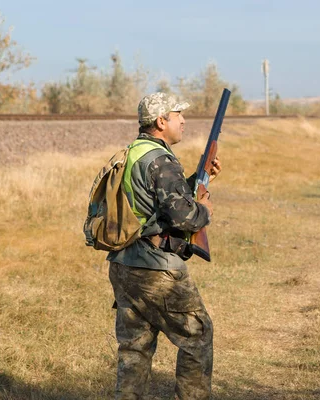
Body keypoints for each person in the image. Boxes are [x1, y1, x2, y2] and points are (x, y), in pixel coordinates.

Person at [107, 92, 221, 400]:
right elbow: (184, 217)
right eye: (178, 115)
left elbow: (153, 198)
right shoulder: (162, 159)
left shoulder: (132, 153)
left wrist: (200, 176)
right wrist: (205, 210)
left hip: (123, 264)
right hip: (155, 268)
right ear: (161, 122)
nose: (183, 120)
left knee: (135, 348)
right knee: (197, 334)